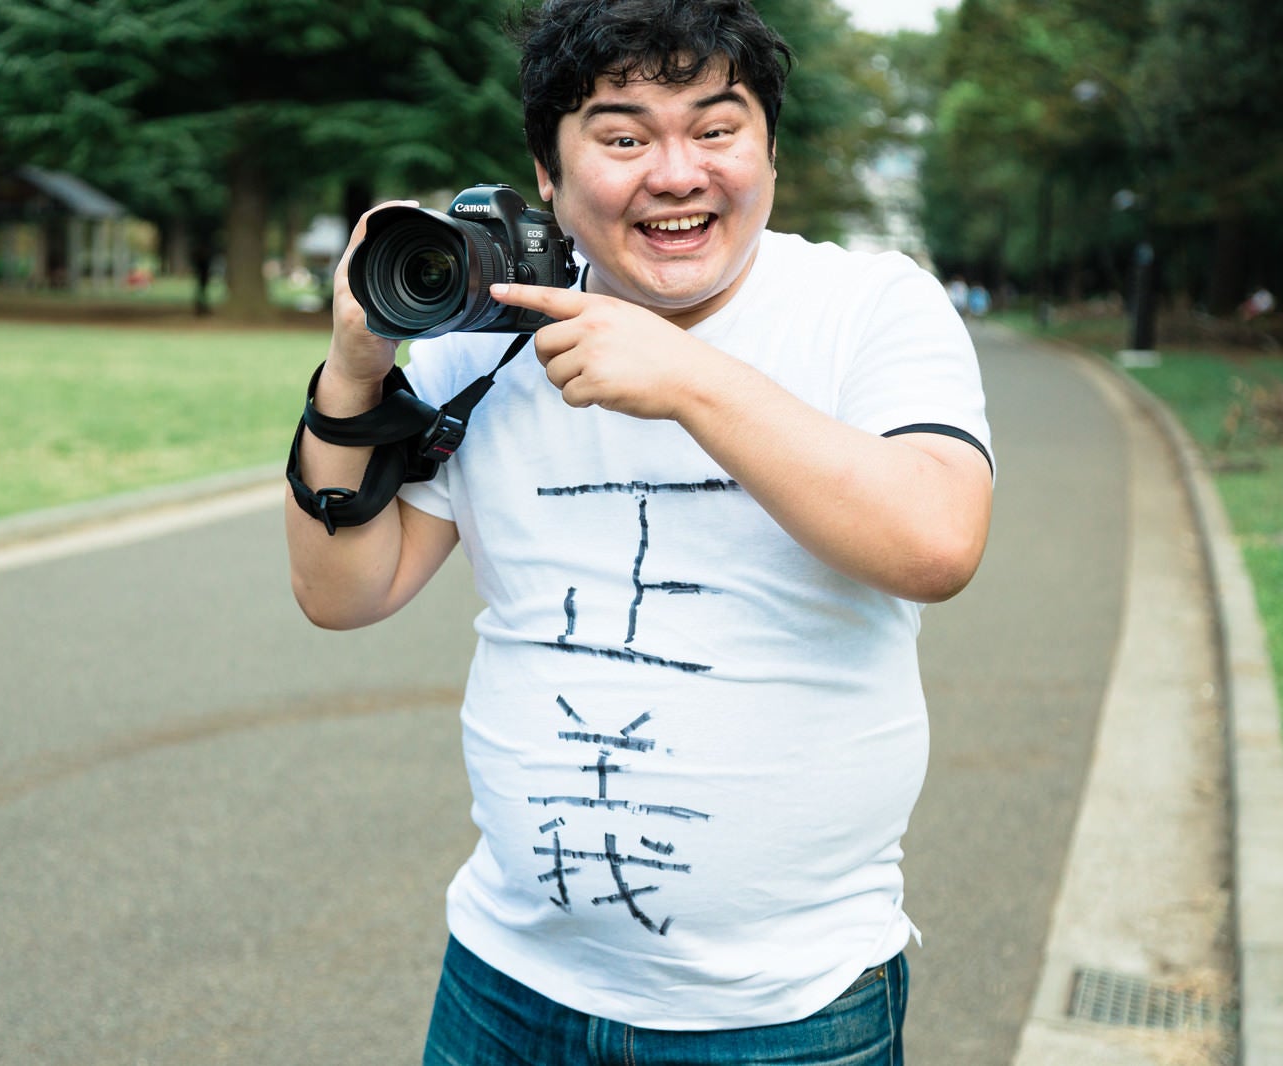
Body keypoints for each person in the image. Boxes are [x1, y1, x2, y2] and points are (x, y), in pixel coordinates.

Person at [285, 1, 994, 1062]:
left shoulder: (870, 306)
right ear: (548, 172)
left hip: (781, 1011)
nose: (676, 173)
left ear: (766, 147)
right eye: (621, 137)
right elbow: (343, 591)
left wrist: (687, 379)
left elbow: (936, 539)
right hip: (505, 986)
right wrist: (353, 369)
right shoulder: (488, 333)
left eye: (716, 129)